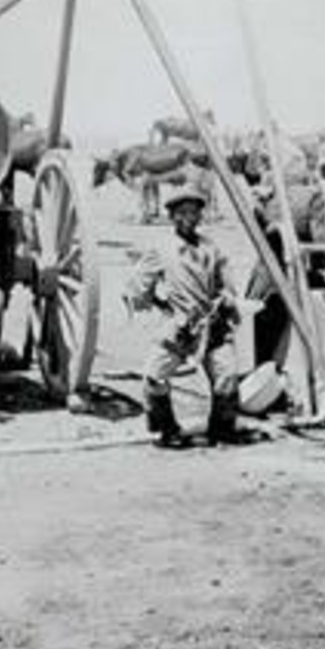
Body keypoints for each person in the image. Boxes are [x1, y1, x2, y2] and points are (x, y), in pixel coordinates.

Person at [131, 179, 250, 449]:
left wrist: (227, 300)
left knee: (227, 375)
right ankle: (167, 430)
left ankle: (222, 429)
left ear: (200, 215)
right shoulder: (161, 249)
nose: (188, 218)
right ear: (172, 217)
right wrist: (159, 304)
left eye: (193, 212)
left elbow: (227, 285)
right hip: (180, 325)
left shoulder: (212, 248)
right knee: (155, 375)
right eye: (181, 213)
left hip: (213, 323)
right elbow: (138, 287)